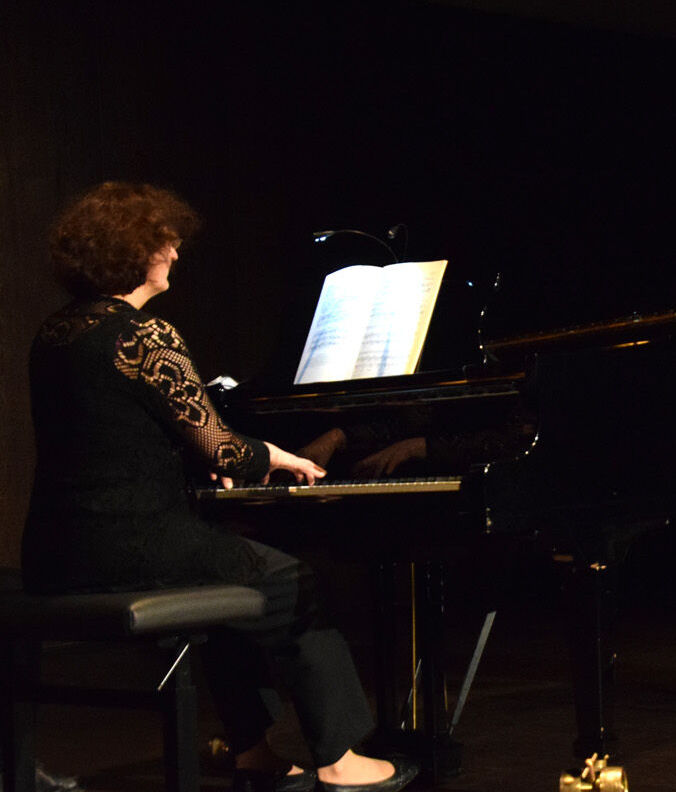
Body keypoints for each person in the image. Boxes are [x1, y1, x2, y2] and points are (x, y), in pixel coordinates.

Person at [23, 182, 418, 792]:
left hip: (55, 550)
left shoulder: (56, 333)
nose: (175, 253)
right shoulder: (146, 336)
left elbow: (112, 427)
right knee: (292, 581)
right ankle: (341, 761)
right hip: (130, 546)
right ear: (135, 252)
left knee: (230, 586)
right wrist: (278, 456)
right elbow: (224, 447)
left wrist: (194, 455)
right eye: (166, 242)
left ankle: (253, 750)